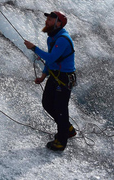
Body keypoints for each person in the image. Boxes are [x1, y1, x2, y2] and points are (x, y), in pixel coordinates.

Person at [23, 11, 77, 152]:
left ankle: (61, 141)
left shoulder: (63, 39)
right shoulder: (52, 38)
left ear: (59, 23)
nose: (47, 20)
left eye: (51, 19)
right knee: (47, 103)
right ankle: (68, 128)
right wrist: (43, 75)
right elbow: (51, 61)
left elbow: (51, 58)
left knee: (60, 109)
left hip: (64, 78)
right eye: (47, 18)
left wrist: (34, 48)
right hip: (55, 76)